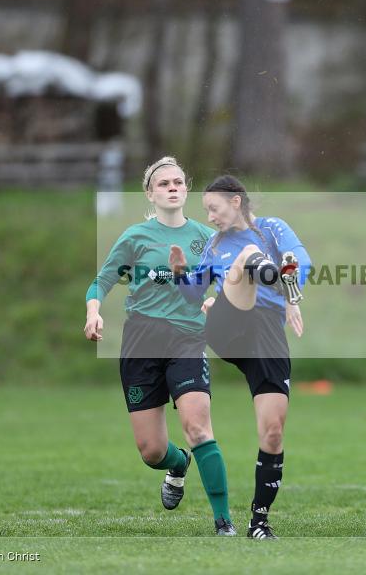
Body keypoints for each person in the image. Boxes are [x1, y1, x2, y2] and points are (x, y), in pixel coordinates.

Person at [84, 156, 236, 536]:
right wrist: (93, 311)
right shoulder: (135, 236)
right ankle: (177, 464)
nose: (172, 187)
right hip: (141, 341)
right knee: (152, 450)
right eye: (164, 183)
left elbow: (224, 282)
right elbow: (101, 281)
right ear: (150, 193)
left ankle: (224, 522)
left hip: (187, 338)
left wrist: (216, 297)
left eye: (179, 182)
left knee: (198, 427)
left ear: (186, 190)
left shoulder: (206, 237)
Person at [170, 175, 310, 540]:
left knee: (274, 433)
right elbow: (193, 294)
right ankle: (267, 276)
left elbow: (301, 263)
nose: (210, 217)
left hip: (265, 334)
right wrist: (181, 273)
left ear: (236, 202)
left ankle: (258, 522)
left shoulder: (272, 229)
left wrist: (293, 296)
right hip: (227, 328)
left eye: (213, 209)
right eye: (206, 211)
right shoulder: (215, 245)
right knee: (247, 259)